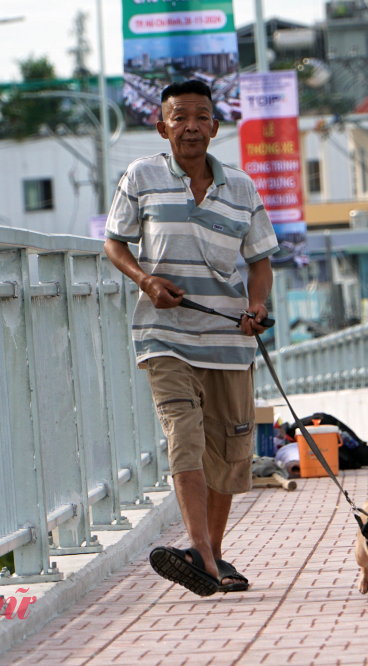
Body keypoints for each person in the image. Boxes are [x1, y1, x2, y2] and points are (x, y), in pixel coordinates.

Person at [104, 80, 278, 596]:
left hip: (230, 343)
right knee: (185, 437)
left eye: (201, 117)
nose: (191, 126)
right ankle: (201, 551)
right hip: (166, 337)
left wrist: (257, 307)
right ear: (162, 127)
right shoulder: (142, 176)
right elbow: (114, 242)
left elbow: (261, 261)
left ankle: (211, 557)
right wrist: (145, 281)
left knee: (227, 452)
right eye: (180, 117)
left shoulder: (243, 188)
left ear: (216, 128)